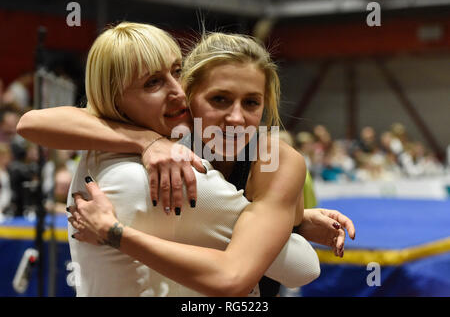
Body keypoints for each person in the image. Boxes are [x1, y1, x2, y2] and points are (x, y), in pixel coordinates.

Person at [18, 23, 355, 296]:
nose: (236, 119)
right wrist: (147, 141)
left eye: (252, 103)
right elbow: (32, 123)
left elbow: (249, 273)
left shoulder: (274, 158)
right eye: (220, 99)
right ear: (189, 96)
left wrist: (113, 233)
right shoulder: (171, 132)